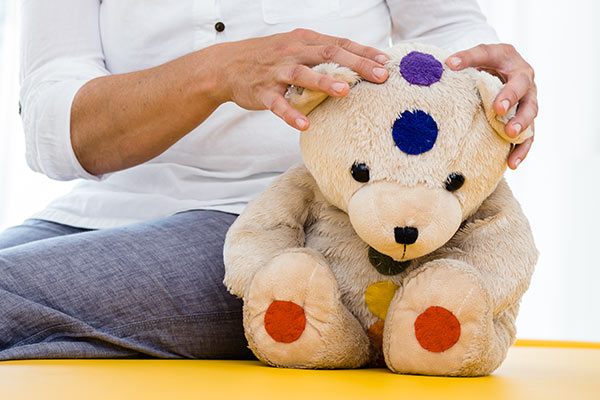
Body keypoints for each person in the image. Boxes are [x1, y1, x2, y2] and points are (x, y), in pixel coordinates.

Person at [0, 0, 537, 360]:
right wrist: (214, 72)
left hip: (280, 228)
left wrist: (492, 85)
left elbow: (451, 35)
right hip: (91, 212)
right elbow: (56, 133)